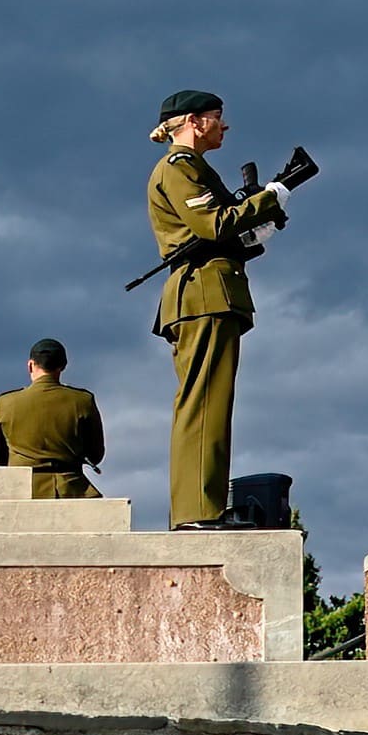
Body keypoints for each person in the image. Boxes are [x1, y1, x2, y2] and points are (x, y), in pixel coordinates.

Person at [146, 89, 289, 529]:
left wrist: (257, 228)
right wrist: (266, 199)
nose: (224, 125)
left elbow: (225, 234)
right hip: (203, 293)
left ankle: (201, 507)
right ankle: (198, 512)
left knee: (211, 403)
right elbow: (212, 224)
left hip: (211, 290)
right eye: (217, 117)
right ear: (193, 120)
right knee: (204, 403)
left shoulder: (194, 168)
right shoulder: (180, 167)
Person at [0, 338, 104, 499]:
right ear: (63, 366)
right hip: (71, 489)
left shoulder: (5, 403)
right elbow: (95, 455)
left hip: (21, 492)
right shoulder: (83, 401)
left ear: (30, 365)